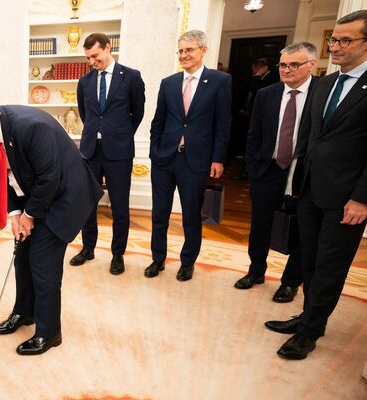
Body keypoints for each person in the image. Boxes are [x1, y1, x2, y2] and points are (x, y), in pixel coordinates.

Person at [0, 103, 102, 355]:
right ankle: (25, 311)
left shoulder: (32, 127)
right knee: (22, 255)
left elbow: (49, 177)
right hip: (38, 195)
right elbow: (2, 175)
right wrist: (15, 214)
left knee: (42, 260)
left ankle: (49, 332)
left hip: (66, 196)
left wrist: (29, 215)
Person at [266, 10, 367, 360]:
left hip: (347, 198)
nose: (334, 46)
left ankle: (309, 332)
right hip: (310, 190)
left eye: (345, 40)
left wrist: (362, 198)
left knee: (329, 266)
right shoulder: (324, 83)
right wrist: (295, 185)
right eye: (334, 39)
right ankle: (308, 317)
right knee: (308, 259)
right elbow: (307, 140)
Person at [236, 42, 318, 302]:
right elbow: (254, 133)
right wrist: (252, 167)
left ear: (312, 65)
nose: (286, 70)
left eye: (294, 64)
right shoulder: (266, 94)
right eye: (283, 65)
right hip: (268, 169)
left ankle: (291, 282)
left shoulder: (322, 92)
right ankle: (256, 271)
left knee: (303, 228)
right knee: (260, 225)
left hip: (305, 173)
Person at [148, 30, 232, 282]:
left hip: (195, 161)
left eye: (189, 50)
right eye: (181, 51)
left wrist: (217, 158)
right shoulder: (168, 83)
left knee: (191, 216)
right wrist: (154, 150)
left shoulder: (220, 81)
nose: (184, 55)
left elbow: (223, 124)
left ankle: (187, 263)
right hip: (164, 159)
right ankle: (158, 259)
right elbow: (158, 121)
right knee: (159, 214)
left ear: (203, 50)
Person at [69, 33, 145, 274]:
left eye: (95, 56)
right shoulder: (84, 81)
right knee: (87, 204)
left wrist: (119, 134)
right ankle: (88, 248)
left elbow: (138, 113)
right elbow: (85, 114)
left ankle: (117, 255)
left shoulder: (131, 77)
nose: (92, 62)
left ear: (108, 48)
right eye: (88, 58)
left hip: (119, 152)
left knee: (119, 206)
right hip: (91, 151)